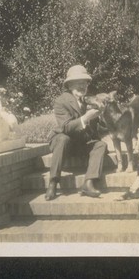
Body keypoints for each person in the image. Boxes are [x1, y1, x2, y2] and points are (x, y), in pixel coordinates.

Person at [45, 65, 107, 201]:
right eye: (78, 83)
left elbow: (100, 132)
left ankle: (88, 182)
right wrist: (86, 118)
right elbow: (66, 127)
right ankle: (53, 182)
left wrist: (101, 115)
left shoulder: (89, 101)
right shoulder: (61, 101)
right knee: (63, 139)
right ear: (69, 84)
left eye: (84, 83)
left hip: (81, 143)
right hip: (64, 142)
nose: (82, 86)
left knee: (101, 145)